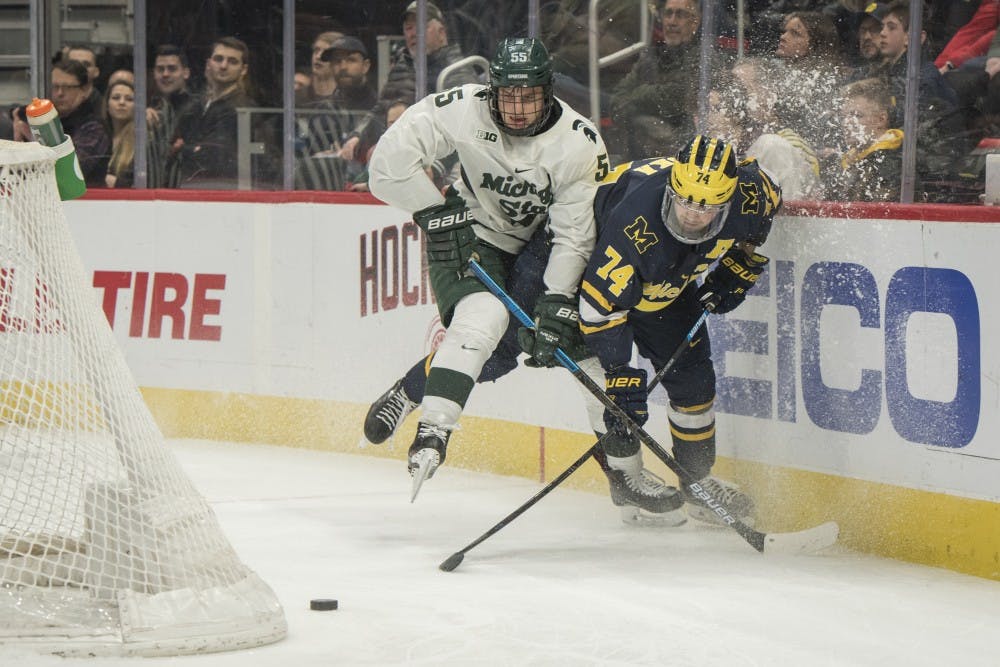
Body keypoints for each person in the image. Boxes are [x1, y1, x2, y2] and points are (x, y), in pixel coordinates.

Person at [364, 37, 609, 500]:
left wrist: (557, 298)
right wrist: (433, 210)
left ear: (549, 91)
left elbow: (575, 234)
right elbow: (387, 166)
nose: (517, 108)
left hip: (541, 247)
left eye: (529, 96)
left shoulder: (579, 143)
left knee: (581, 345)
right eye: (507, 95)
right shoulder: (461, 108)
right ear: (490, 89)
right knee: (485, 321)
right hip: (469, 232)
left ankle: (624, 472)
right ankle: (433, 433)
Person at [577, 135, 782, 525]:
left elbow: (767, 205)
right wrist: (621, 374)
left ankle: (698, 485)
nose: (691, 214)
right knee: (611, 394)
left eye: (706, 207)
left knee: (695, 384)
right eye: (684, 200)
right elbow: (598, 310)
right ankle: (627, 481)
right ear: (672, 186)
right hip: (593, 280)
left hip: (665, 289)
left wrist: (741, 258)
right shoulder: (635, 222)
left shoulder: (750, 194)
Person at [338, 2, 478, 164]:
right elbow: (381, 109)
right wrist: (357, 136)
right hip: (398, 152)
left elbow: (462, 132)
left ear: (442, 33)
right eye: (409, 28)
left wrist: (436, 167)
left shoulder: (456, 71)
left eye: (421, 27)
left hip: (438, 162)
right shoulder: (402, 66)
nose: (413, 34)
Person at [609, 0, 722, 162]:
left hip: (681, 155)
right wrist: (641, 102)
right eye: (668, 14)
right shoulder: (652, 55)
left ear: (695, 22)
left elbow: (680, 97)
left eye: (680, 15)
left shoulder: (705, 57)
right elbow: (616, 101)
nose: (672, 22)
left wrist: (640, 95)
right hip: (637, 156)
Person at [170, 36, 257, 189]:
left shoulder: (241, 107)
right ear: (209, 64)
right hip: (191, 188)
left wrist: (183, 149)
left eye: (232, 61)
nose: (223, 66)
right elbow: (171, 141)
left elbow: (212, 157)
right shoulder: (199, 104)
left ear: (243, 69)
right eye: (218, 59)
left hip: (221, 192)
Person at [11, 59, 109, 186]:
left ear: (84, 90)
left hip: (86, 199)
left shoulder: (94, 126)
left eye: (67, 87)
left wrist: (33, 140)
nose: (60, 93)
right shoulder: (40, 119)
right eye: (55, 87)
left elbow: (73, 170)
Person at [824, 78, 903, 202]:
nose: (846, 123)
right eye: (843, 117)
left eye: (857, 115)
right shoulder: (848, 161)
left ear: (881, 119)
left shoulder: (894, 167)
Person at [147, 44, 198, 188]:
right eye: (160, 69)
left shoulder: (197, 109)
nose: (165, 74)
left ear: (186, 73)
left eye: (172, 68)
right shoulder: (149, 108)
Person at [104, 78, 135, 188]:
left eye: (129, 99)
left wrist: (117, 183)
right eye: (116, 98)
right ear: (107, 105)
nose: (122, 102)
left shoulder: (142, 141)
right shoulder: (100, 136)